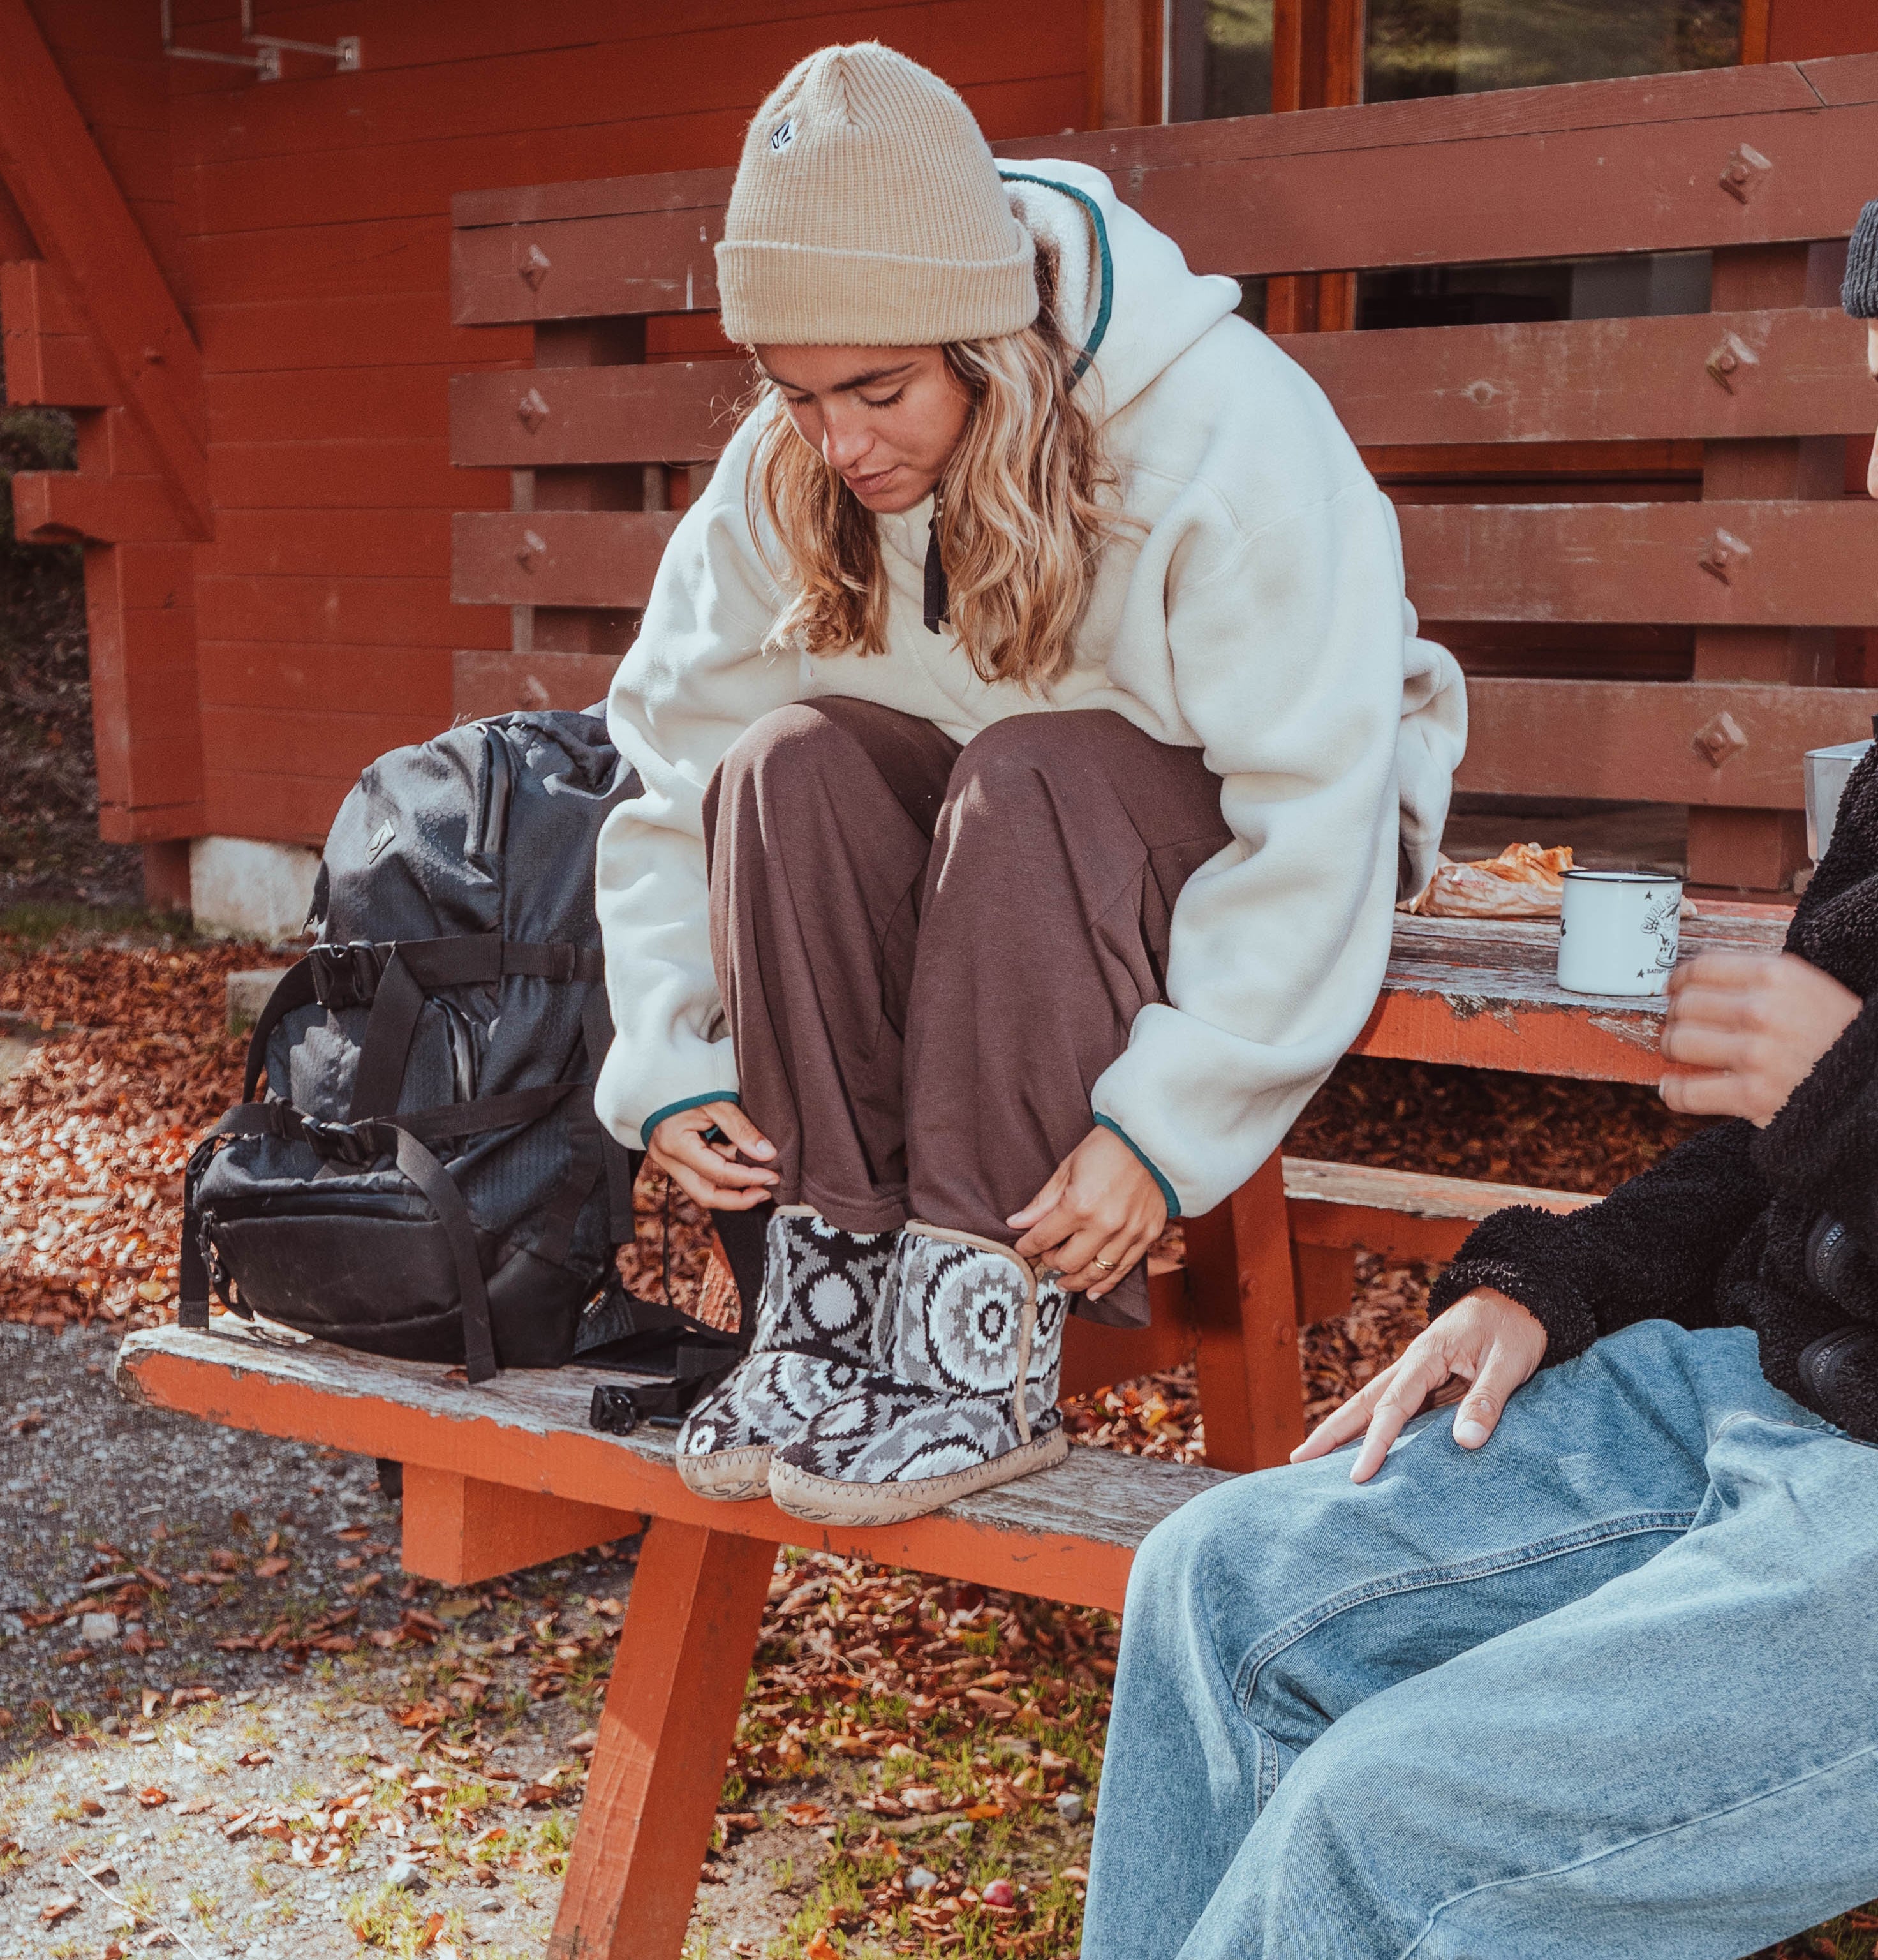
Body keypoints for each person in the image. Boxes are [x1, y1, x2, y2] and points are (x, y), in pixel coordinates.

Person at [1081, 202, 1878, 1960]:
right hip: (1763, 1404)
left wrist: (1852, 1092)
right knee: (1219, 1588)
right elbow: (1767, 1165)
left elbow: (1834, 1109)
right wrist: (1551, 1284)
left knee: (1390, 1824)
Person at [591, 42, 1465, 1527]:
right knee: (787, 762)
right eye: (797, 397)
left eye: (878, 391)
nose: (839, 442)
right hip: (997, 852)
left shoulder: (1226, 436)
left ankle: (971, 1343)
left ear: (991, 344)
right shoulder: (797, 456)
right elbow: (679, 763)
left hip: (1233, 846)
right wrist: (669, 1052)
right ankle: (834, 1296)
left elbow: (1319, 810)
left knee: (1030, 775)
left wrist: (1165, 1124)